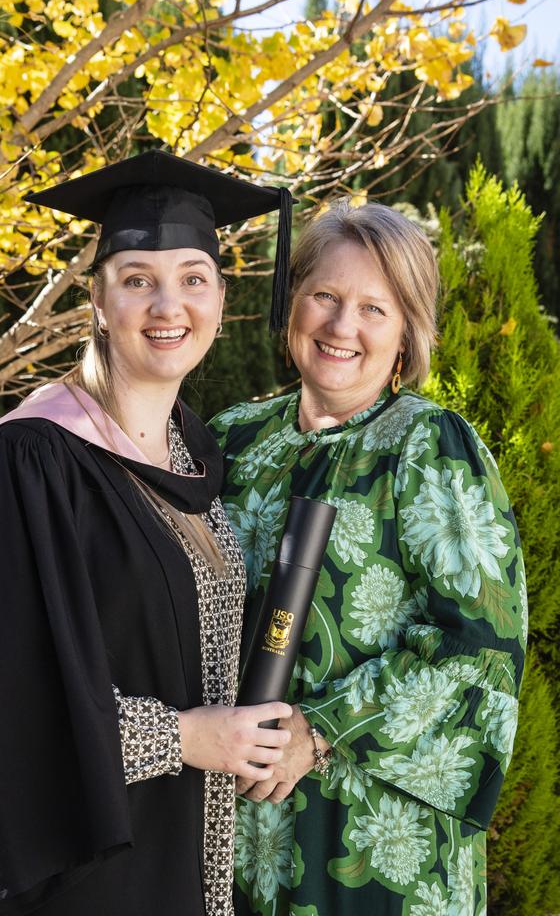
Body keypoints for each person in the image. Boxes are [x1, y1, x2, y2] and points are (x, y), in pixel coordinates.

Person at [0, 150, 297, 916]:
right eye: (138, 281)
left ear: (223, 299)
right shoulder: (26, 465)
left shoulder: (200, 465)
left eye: (194, 278)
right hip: (74, 878)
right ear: (97, 301)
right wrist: (186, 739)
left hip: (183, 867)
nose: (169, 306)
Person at [210, 200, 526, 916]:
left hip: (377, 844)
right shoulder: (232, 441)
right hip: (236, 835)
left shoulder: (431, 446)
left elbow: (484, 646)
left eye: (373, 309)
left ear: (408, 332)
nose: (341, 325)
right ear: (293, 303)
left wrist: (319, 731)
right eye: (324, 295)